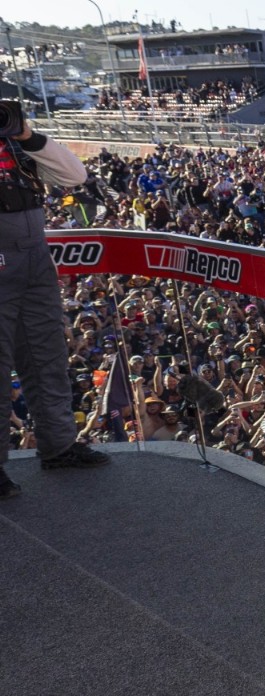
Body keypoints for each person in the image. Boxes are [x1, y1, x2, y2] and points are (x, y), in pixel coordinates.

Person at [0, 118, 111, 499]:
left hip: (34, 263)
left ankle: (59, 446)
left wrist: (27, 136)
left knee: (47, 356)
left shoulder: (17, 144)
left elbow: (73, 174)